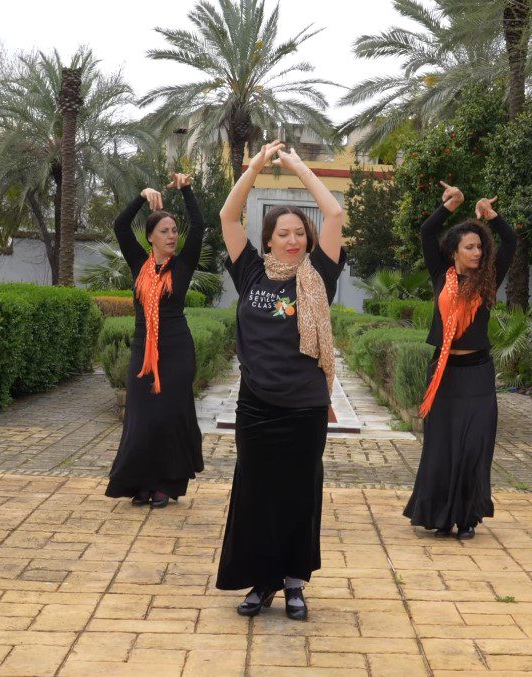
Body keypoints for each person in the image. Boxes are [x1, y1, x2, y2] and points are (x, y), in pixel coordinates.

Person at [216, 141, 346, 621]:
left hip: (304, 407)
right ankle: (260, 581)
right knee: (255, 493)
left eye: (299, 233)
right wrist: (254, 166)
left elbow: (333, 215)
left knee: (298, 493)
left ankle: (293, 583)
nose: (292, 240)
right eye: (283, 233)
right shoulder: (250, 272)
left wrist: (295, 166)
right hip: (255, 406)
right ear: (268, 239)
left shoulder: (319, 276)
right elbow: (230, 217)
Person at [403, 181, 517, 540]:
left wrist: (491, 215)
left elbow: (510, 242)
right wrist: (453, 204)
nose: (477, 252)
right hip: (443, 373)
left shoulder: (488, 279)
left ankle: (467, 516)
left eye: (480, 246)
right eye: (469, 247)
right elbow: (427, 230)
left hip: (478, 375)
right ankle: (439, 515)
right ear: (454, 251)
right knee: (441, 446)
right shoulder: (441, 275)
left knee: (473, 447)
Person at [105, 173, 206, 508]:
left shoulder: (183, 265)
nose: (172, 236)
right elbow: (120, 226)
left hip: (176, 351)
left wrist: (187, 189)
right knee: (142, 417)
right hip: (142, 350)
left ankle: (165, 484)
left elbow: (200, 224)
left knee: (168, 416)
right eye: (164, 231)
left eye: (174, 231)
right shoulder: (139, 264)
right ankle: (141, 482)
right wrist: (141, 196)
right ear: (150, 237)